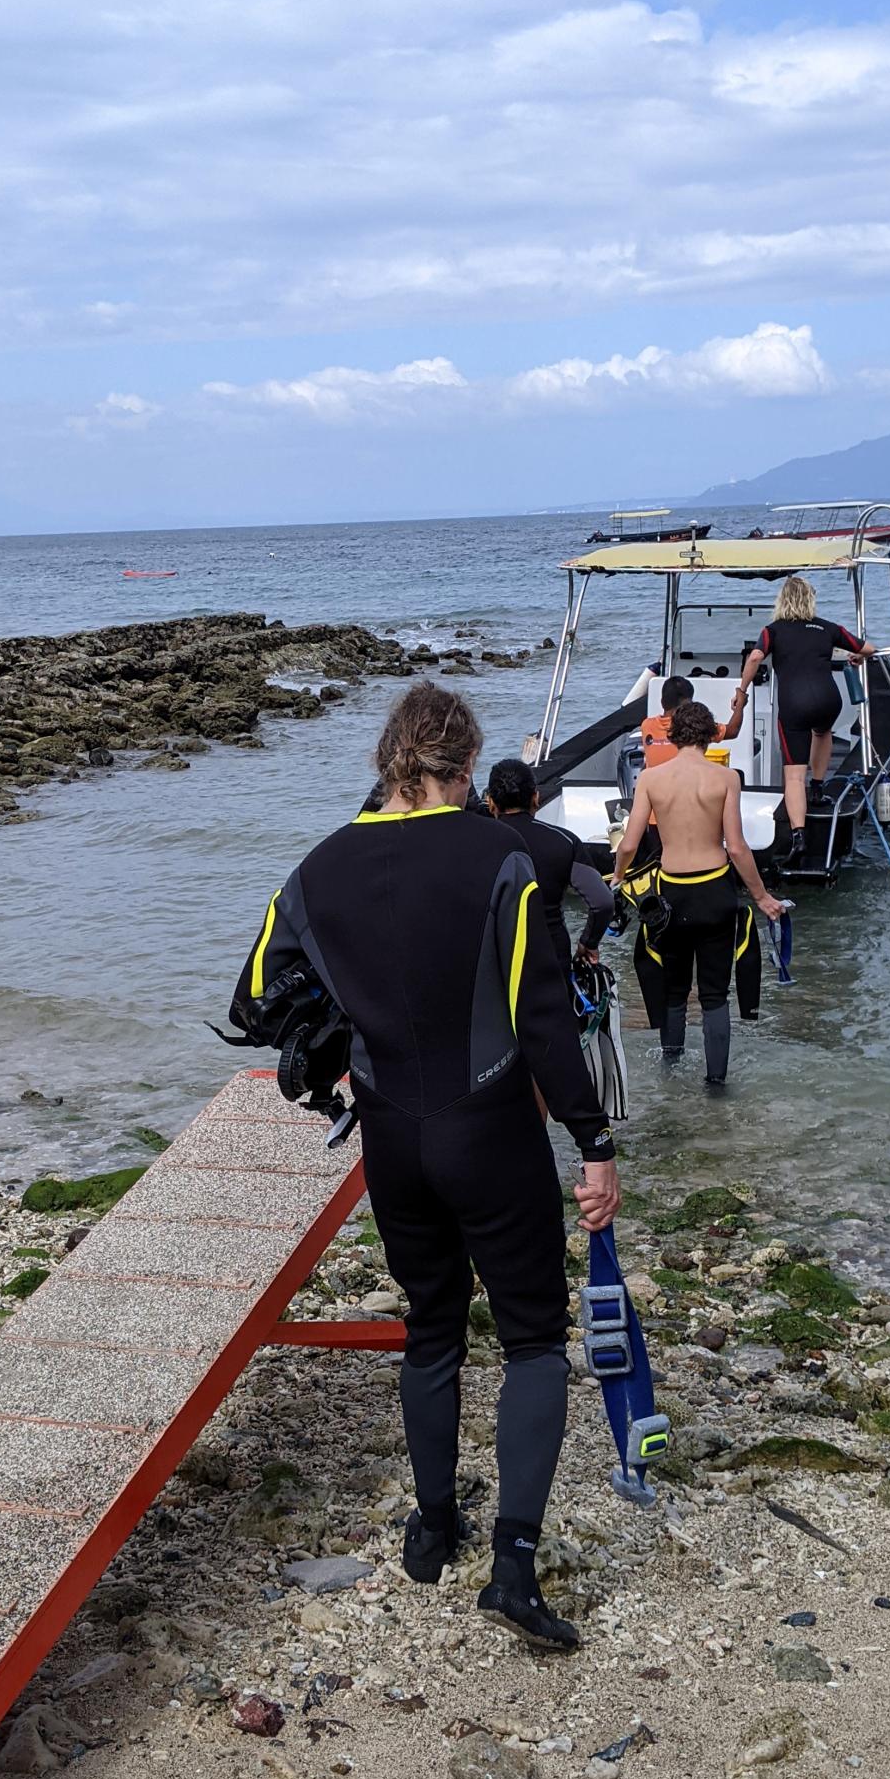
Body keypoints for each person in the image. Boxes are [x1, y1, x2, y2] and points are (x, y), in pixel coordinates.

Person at [236, 683, 618, 1653]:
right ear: (462, 767)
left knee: (431, 1331)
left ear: (387, 762)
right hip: (488, 1126)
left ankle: (432, 1525)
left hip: (391, 1138)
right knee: (532, 1339)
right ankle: (513, 1567)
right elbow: (540, 1023)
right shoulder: (498, 853)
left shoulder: (318, 866)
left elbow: (253, 999)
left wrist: (338, 1032)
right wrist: (594, 1143)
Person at [612, 698, 785, 1087]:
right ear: (709, 736)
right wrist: (762, 898)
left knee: (674, 991)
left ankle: (670, 1074)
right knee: (714, 995)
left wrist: (618, 879)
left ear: (672, 736)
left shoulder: (652, 780)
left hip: (673, 895)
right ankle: (716, 1083)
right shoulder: (726, 779)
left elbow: (628, 843)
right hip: (715, 890)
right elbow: (737, 847)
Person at [732, 574, 876, 863]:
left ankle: (799, 836)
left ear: (782, 601)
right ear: (810, 600)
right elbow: (868, 648)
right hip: (828, 700)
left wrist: (742, 690)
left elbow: (755, 658)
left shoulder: (772, 631)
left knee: (794, 775)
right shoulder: (827, 627)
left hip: (794, 704)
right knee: (822, 734)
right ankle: (819, 788)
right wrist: (858, 658)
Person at [484, 757, 614, 969]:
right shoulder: (563, 841)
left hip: (495, 959)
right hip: (550, 956)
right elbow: (603, 902)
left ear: (490, 802)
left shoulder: (477, 843)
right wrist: (587, 942)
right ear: (536, 797)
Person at [638, 674, 695, 769]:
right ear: (688, 705)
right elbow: (729, 731)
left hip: (654, 782)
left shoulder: (647, 725)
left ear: (662, 702)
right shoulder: (694, 725)